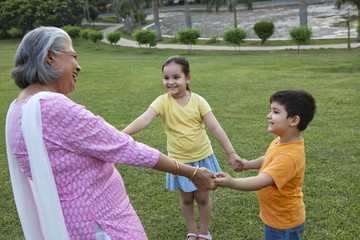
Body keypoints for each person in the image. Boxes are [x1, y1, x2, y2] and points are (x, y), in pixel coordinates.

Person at [5, 27, 217, 240]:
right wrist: (190, 172)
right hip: (100, 225)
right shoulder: (53, 108)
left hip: (71, 222)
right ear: (50, 56)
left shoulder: (17, 108)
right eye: (74, 56)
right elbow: (127, 148)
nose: (79, 66)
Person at [122, 56, 241, 240]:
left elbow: (215, 127)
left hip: (203, 158)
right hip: (178, 163)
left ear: (187, 78)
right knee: (186, 198)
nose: (170, 82)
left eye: (176, 77)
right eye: (166, 78)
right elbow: (145, 119)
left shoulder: (199, 101)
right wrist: (123, 134)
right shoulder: (162, 101)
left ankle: (204, 232)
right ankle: (192, 231)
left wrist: (231, 153)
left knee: (202, 198)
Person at [215, 90, 316, 240]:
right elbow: (268, 158)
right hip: (278, 219)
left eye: (275, 112)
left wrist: (232, 182)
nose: (268, 115)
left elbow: (262, 180)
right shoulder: (282, 141)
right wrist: (248, 164)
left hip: (283, 224)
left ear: (294, 121)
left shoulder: (289, 156)